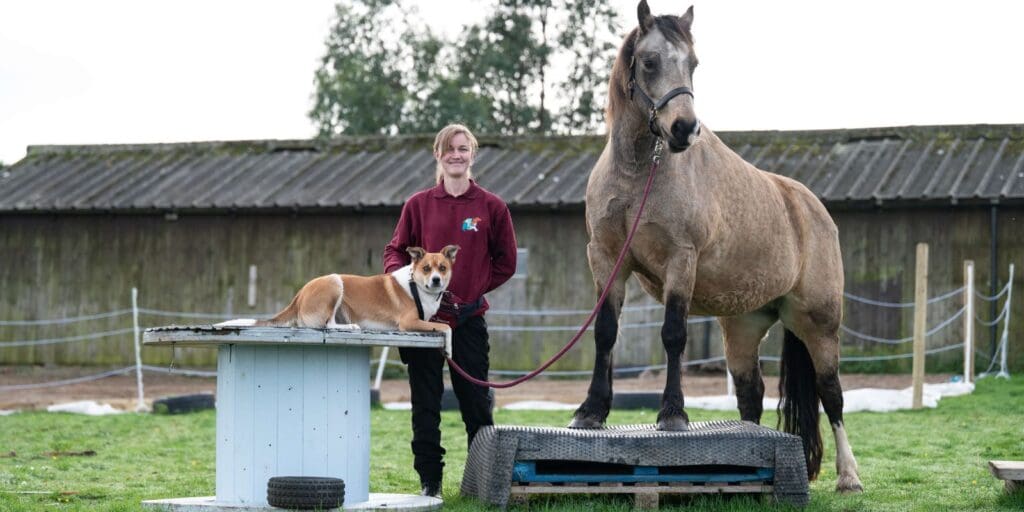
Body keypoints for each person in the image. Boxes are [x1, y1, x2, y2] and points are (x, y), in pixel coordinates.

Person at [382, 123, 518, 498]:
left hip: (468, 322)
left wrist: (473, 288)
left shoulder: (491, 207)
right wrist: (408, 290)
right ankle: (431, 483)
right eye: (448, 149)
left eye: (463, 149)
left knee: (476, 405)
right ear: (438, 155)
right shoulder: (418, 205)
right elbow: (394, 252)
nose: (456, 155)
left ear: (472, 154)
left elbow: (506, 262)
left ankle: (482, 482)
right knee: (425, 406)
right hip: (423, 324)